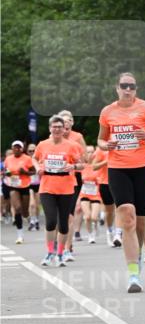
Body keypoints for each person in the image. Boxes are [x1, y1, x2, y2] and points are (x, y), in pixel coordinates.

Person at [97, 72, 145, 293]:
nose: (127, 89)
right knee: (126, 215)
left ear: (135, 89)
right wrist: (105, 145)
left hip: (143, 169)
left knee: (140, 222)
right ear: (116, 88)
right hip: (118, 169)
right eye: (123, 85)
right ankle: (133, 274)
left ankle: (136, 257)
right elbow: (100, 139)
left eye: (132, 86)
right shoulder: (107, 112)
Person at [33, 116, 82, 266]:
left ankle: (60, 254)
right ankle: (49, 253)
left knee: (63, 224)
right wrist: (37, 168)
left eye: (60, 127)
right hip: (47, 187)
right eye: (54, 127)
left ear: (63, 129)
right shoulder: (43, 145)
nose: (57, 129)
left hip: (66, 188)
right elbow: (34, 158)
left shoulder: (71, 146)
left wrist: (73, 167)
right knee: (51, 221)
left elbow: (81, 164)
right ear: (50, 128)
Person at [59, 110, 86, 258]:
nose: (66, 123)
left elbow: (85, 159)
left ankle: (67, 248)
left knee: (69, 214)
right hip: (56, 180)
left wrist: (74, 160)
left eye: (69, 120)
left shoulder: (78, 137)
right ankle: (60, 243)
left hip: (74, 179)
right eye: (63, 121)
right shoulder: (53, 139)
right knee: (59, 215)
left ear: (72, 123)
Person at [4, 140, 34, 244]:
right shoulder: (8, 159)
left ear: (22, 149)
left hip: (25, 185)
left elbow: (33, 171)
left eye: (19, 147)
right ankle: (20, 235)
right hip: (13, 185)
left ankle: (28, 217)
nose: (16, 149)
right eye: (14, 147)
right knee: (17, 209)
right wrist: (6, 173)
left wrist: (25, 172)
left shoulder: (27, 159)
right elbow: (5, 170)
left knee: (25, 212)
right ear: (12, 149)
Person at [91, 146, 118, 247]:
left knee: (121, 208)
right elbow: (94, 166)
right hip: (105, 183)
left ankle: (118, 233)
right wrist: (106, 162)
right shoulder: (102, 149)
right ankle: (110, 231)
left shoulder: (123, 145)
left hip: (120, 181)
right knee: (110, 211)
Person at [79, 145, 102, 243]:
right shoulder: (82, 167)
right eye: (88, 152)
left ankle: (95, 224)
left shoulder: (98, 167)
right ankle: (90, 235)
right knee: (87, 216)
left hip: (96, 195)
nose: (90, 154)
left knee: (94, 217)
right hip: (84, 195)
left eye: (92, 152)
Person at [26, 143, 42, 230]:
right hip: (29, 184)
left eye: (34, 150)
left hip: (39, 184)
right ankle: (32, 221)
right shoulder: (25, 160)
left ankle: (37, 220)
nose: (32, 152)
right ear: (27, 151)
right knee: (31, 204)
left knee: (37, 205)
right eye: (30, 151)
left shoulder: (39, 159)